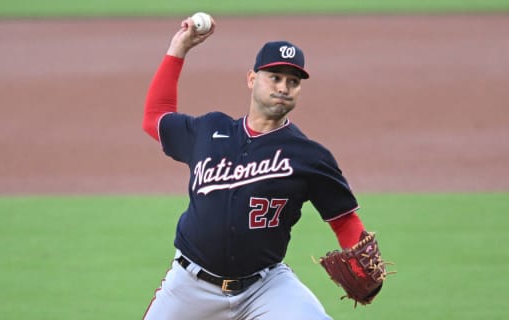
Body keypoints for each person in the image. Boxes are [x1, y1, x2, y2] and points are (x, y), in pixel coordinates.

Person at [140, 16, 373, 320]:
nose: (283, 87)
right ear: (252, 79)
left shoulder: (309, 156)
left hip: (265, 288)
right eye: (274, 77)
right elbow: (154, 117)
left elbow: (343, 219)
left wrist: (361, 265)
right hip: (189, 286)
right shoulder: (209, 130)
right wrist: (177, 49)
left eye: (293, 81)